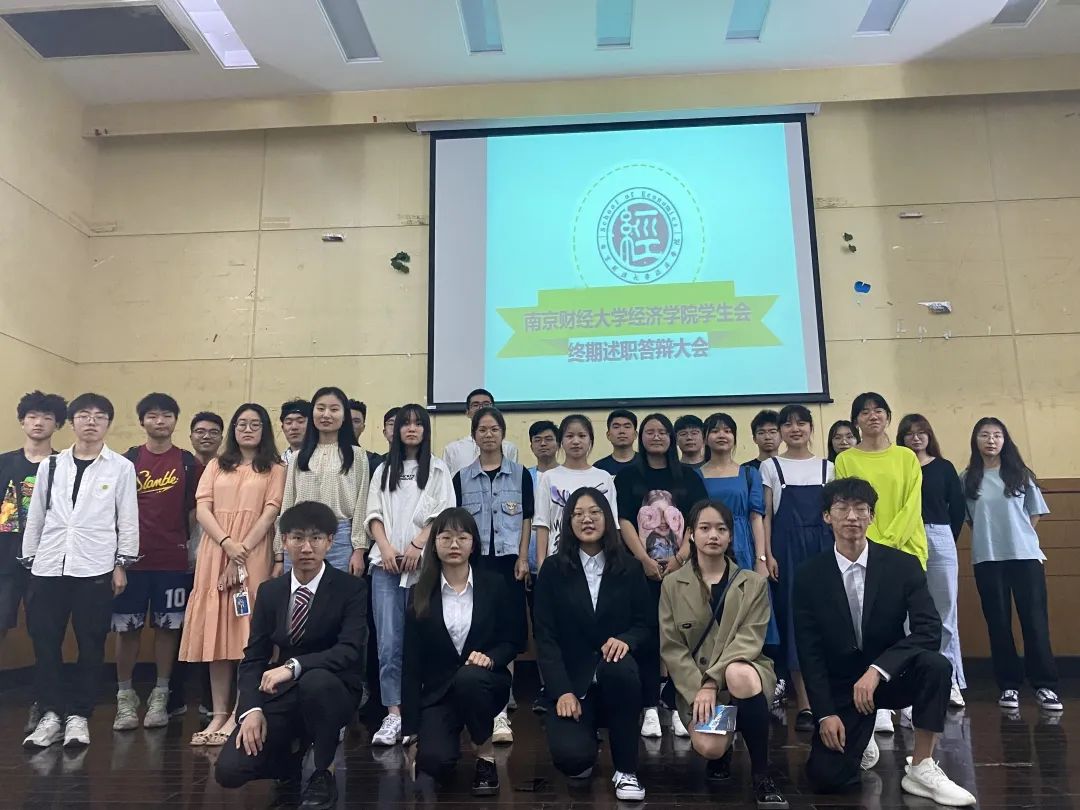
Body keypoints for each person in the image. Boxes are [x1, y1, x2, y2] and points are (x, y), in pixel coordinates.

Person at [793, 477, 975, 806]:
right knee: (826, 779)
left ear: (872, 516)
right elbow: (810, 651)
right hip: (844, 685)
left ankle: (922, 766)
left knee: (935, 665)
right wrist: (824, 714)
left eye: (861, 509)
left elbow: (929, 629)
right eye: (842, 508)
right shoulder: (809, 576)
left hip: (891, 676)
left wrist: (878, 669)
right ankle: (862, 740)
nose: (852, 516)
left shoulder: (902, 565)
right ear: (827, 516)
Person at [214, 501, 368, 810]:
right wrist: (250, 710)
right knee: (229, 771)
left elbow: (349, 650)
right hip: (283, 691)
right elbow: (254, 657)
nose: (306, 548)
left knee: (316, 682)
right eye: (298, 538)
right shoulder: (271, 591)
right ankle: (289, 767)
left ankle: (323, 772)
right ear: (284, 541)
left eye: (316, 538)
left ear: (330, 541)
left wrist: (294, 665)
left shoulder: (350, 589)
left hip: (334, 687)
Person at [21, 393, 139, 750]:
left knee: (91, 643)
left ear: (108, 424)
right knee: (45, 643)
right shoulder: (51, 466)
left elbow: (127, 518)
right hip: (48, 566)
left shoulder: (120, 467)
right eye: (84, 415)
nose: (91, 421)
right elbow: (36, 515)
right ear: (71, 422)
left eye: (100, 416)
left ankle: (79, 716)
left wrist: (122, 564)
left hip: (95, 567)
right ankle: (50, 715)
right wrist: (30, 559)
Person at [660, 500, 787, 809]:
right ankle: (725, 747)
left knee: (739, 672)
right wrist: (699, 689)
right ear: (691, 534)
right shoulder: (672, 584)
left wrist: (711, 683)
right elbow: (673, 648)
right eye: (704, 528)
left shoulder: (752, 583)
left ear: (731, 536)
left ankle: (761, 775)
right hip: (694, 683)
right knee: (710, 748)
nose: (713, 535)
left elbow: (749, 640)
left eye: (721, 529)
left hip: (742, 674)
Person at [533, 488, 654, 802]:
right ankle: (585, 745)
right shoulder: (552, 570)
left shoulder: (630, 568)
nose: (587, 519)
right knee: (573, 761)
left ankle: (626, 771)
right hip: (573, 682)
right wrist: (561, 690)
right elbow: (545, 637)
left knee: (620, 668)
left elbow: (645, 624)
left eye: (594, 512)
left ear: (607, 518)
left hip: (617, 678)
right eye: (578, 514)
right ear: (568, 522)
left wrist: (626, 640)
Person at [178, 403, 286, 747]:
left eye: (255, 424)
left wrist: (241, 550)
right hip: (215, 550)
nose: (247, 429)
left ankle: (243, 710)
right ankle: (219, 713)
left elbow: (271, 512)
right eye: (241, 424)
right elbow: (202, 508)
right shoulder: (216, 465)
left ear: (264, 430)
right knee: (217, 635)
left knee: (246, 632)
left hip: (253, 552)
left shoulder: (275, 468)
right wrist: (226, 544)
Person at [402, 507, 517, 795]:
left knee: (469, 678)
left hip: (485, 684)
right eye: (446, 537)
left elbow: (512, 641)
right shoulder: (419, 593)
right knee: (433, 763)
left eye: (462, 537)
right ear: (434, 544)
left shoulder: (494, 585)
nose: (454, 544)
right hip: (439, 693)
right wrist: (410, 732)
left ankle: (485, 755)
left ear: (473, 544)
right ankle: (446, 743)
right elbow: (411, 666)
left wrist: (490, 658)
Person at [834, 393, 926, 734]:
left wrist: (888, 543)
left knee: (911, 629)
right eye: (864, 412)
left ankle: (912, 699)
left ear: (888, 416)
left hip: (907, 550)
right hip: (862, 551)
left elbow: (912, 504)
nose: (872, 416)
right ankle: (881, 702)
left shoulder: (906, 457)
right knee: (874, 628)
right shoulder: (845, 459)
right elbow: (849, 505)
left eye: (878, 411)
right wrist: (872, 544)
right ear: (856, 420)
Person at [366, 404, 455, 746]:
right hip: (385, 567)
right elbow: (373, 513)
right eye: (406, 424)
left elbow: (444, 514)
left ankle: (421, 712)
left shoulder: (438, 469)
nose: (412, 429)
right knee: (388, 644)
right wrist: (386, 548)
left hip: (424, 568)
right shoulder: (383, 469)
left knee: (423, 642)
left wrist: (419, 545)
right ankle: (393, 714)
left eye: (419, 424)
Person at [112, 393, 201, 732]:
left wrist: (190, 549)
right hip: (131, 562)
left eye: (166, 415)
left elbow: (195, 511)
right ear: (142, 421)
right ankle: (124, 697)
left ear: (175, 420)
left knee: (167, 629)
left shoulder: (188, 463)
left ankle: (161, 695)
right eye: (152, 415)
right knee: (127, 630)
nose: (159, 421)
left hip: (172, 561)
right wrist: (117, 560)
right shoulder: (127, 461)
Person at [615, 413, 707, 739]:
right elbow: (623, 520)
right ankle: (650, 707)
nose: (656, 437)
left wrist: (680, 558)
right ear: (641, 437)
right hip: (641, 571)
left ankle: (679, 704)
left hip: (683, 569)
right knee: (649, 636)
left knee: (680, 636)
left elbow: (698, 519)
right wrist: (643, 559)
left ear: (671, 438)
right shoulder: (628, 476)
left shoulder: (689, 477)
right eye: (650, 432)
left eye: (662, 432)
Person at [962, 417, 1060, 713]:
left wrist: (1017, 538)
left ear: (1005, 440)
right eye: (984, 435)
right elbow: (969, 519)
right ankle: (1008, 685)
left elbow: (1034, 513)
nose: (991, 440)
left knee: (1034, 622)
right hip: (987, 559)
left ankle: (1044, 685)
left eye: (997, 435)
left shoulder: (1020, 474)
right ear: (975, 440)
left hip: (1025, 558)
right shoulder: (967, 477)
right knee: (999, 624)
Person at [451, 406, 532, 744]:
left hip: (510, 564)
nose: (488, 435)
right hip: (477, 565)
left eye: (494, 429)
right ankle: (478, 694)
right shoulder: (461, 477)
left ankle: (503, 700)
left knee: (507, 631)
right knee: (481, 627)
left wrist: (524, 557)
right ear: (474, 436)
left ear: (503, 434)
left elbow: (527, 517)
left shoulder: (520, 474)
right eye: (482, 430)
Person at [760, 405, 834, 731]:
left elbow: (836, 514)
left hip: (824, 550)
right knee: (794, 622)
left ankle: (828, 700)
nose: (795, 429)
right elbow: (765, 516)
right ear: (780, 432)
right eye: (787, 424)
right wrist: (767, 555)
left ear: (811, 428)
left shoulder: (828, 468)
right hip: (786, 552)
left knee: (828, 621)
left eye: (801, 423)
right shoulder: (770, 466)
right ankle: (804, 704)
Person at [0, 391, 65, 733]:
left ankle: (45, 704)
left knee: (45, 635)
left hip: (47, 563)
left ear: (57, 424)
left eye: (47, 417)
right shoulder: (4, 463)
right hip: (5, 562)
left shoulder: (64, 465)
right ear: (22, 421)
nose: (39, 423)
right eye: (32, 416)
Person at [897, 413, 968, 709]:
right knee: (906, 614)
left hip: (939, 536)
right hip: (904, 537)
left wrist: (944, 538)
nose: (916, 438)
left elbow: (958, 508)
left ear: (929, 436)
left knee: (945, 611)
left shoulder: (943, 467)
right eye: (909, 433)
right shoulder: (899, 465)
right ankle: (912, 680)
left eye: (921, 432)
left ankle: (949, 680)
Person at [274, 387, 370, 578]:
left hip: (339, 537)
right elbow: (287, 504)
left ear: (344, 416)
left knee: (336, 592)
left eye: (334, 409)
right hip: (299, 535)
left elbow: (362, 505)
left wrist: (359, 550)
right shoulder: (298, 456)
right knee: (300, 592)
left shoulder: (357, 456)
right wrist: (279, 554)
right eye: (320, 408)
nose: (326, 415)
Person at [534, 415, 617, 569]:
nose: (576, 441)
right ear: (561, 441)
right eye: (570, 436)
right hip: (559, 561)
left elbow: (613, 524)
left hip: (599, 563)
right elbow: (543, 525)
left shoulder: (603, 478)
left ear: (590, 440)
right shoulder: (549, 477)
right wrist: (541, 566)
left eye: (582, 436)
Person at [525, 419, 558, 713]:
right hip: (533, 566)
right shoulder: (525, 477)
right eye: (538, 440)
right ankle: (547, 685)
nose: (543, 444)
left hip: (565, 566)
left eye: (548, 439)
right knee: (542, 629)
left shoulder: (566, 475)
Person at [441, 389, 519, 475]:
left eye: (486, 404)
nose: (481, 408)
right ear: (467, 412)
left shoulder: (509, 448)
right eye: (475, 405)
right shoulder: (452, 450)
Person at [594, 409, 637, 475]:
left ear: (635, 434)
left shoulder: (647, 464)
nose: (622, 431)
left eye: (627, 427)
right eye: (616, 427)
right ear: (608, 435)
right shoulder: (598, 468)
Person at [348, 398, 383, 474]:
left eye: (356, 421)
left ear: (363, 427)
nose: (350, 425)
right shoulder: (325, 457)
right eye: (346, 420)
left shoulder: (374, 462)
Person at [278, 399, 310, 468]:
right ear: (283, 428)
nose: (294, 427)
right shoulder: (278, 464)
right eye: (289, 423)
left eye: (300, 421)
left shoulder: (322, 458)